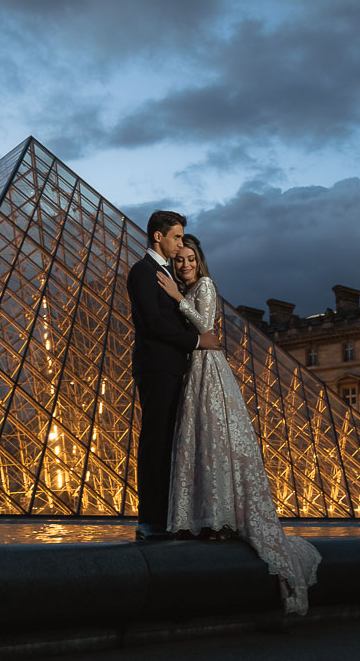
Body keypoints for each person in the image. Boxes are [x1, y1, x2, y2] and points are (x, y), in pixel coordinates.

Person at [157, 234, 321, 615]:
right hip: (195, 367)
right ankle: (203, 518)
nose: (184, 265)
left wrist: (176, 297)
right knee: (198, 441)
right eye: (179, 260)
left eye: (190, 259)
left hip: (209, 369)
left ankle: (220, 518)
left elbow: (207, 326)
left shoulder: (206, 286)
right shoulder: (190, 286)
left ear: (200, 260)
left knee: (214, 439)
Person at [127, 212, 220, 541]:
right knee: (155, 442)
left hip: (173, 366)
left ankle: (166, 517)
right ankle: (149, 520)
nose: (181, 243)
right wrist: (197, 341)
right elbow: (152, 322)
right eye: (177, 237)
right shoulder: (143, 271)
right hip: (158, 366)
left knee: (167, 443)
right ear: (158, 237)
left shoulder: (166, 274)